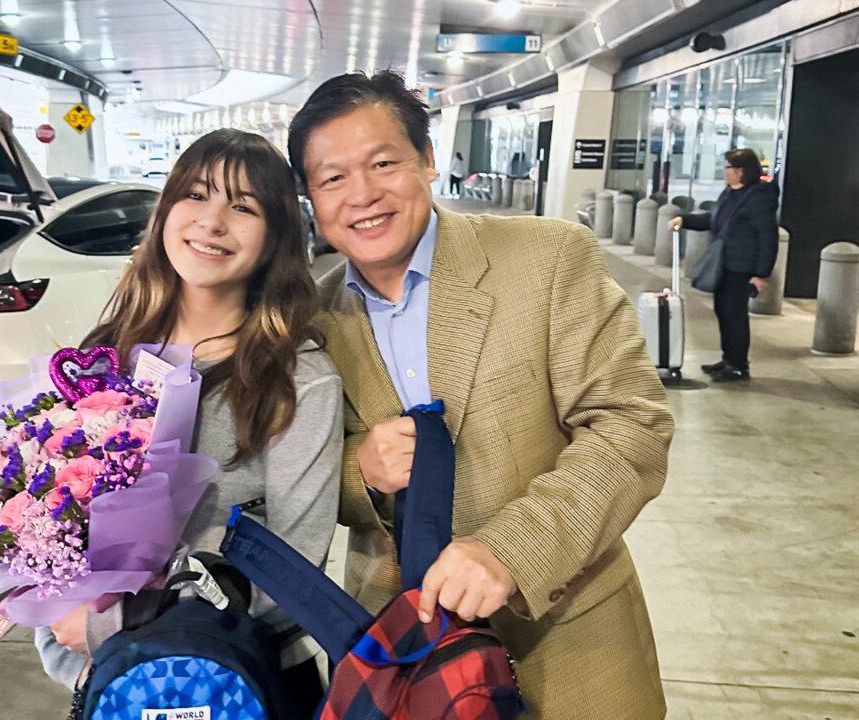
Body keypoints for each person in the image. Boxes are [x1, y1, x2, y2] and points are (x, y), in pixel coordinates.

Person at [287, 70, 674, 719]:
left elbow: (631, 427)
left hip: (569, 639)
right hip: (408, 658)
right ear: (311, 198)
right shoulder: (312, 321)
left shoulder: (547, 258)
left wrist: (511, 550)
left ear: (427, 159)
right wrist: (361, 470)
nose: (362, 195)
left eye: (383, 163)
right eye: (332, 178)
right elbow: (303, 475)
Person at [36, 128, 342, 718]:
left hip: (242, 681)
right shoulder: (106, 357)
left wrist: (109, 625)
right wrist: (66, 635)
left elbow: (295, 571)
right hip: (114, 679)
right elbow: (51, 515)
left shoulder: (297, 379)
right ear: (166, 210)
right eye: (196, 195)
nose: (212, 222)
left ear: (276, 236)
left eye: (244, 207)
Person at [670, 148, 779, 381]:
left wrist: (761, 274)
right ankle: (728, 358)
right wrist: (685, 220)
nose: (724, 171)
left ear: (742, 171)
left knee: (735, 315)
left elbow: (767, 238)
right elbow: (712, 219)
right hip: (724, 264)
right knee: (723, 311)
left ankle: (739, 366)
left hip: (742, 267)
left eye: (728, 167)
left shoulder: (759, 197)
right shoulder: (729, 193)